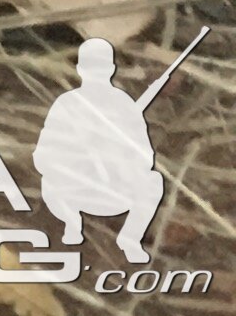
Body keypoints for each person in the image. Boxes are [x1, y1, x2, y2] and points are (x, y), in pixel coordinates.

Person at [35, 39, 169, 263]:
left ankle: (130, 239)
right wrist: (77, 155)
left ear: (111, 69)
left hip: (116, 189)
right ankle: (72, 224)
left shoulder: (124, 104)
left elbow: (145, 155)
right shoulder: (67, 104)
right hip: (74, 190)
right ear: (80, 70)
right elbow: (43, 155)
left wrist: (119, 153)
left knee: (153, 181)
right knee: (49, 182)